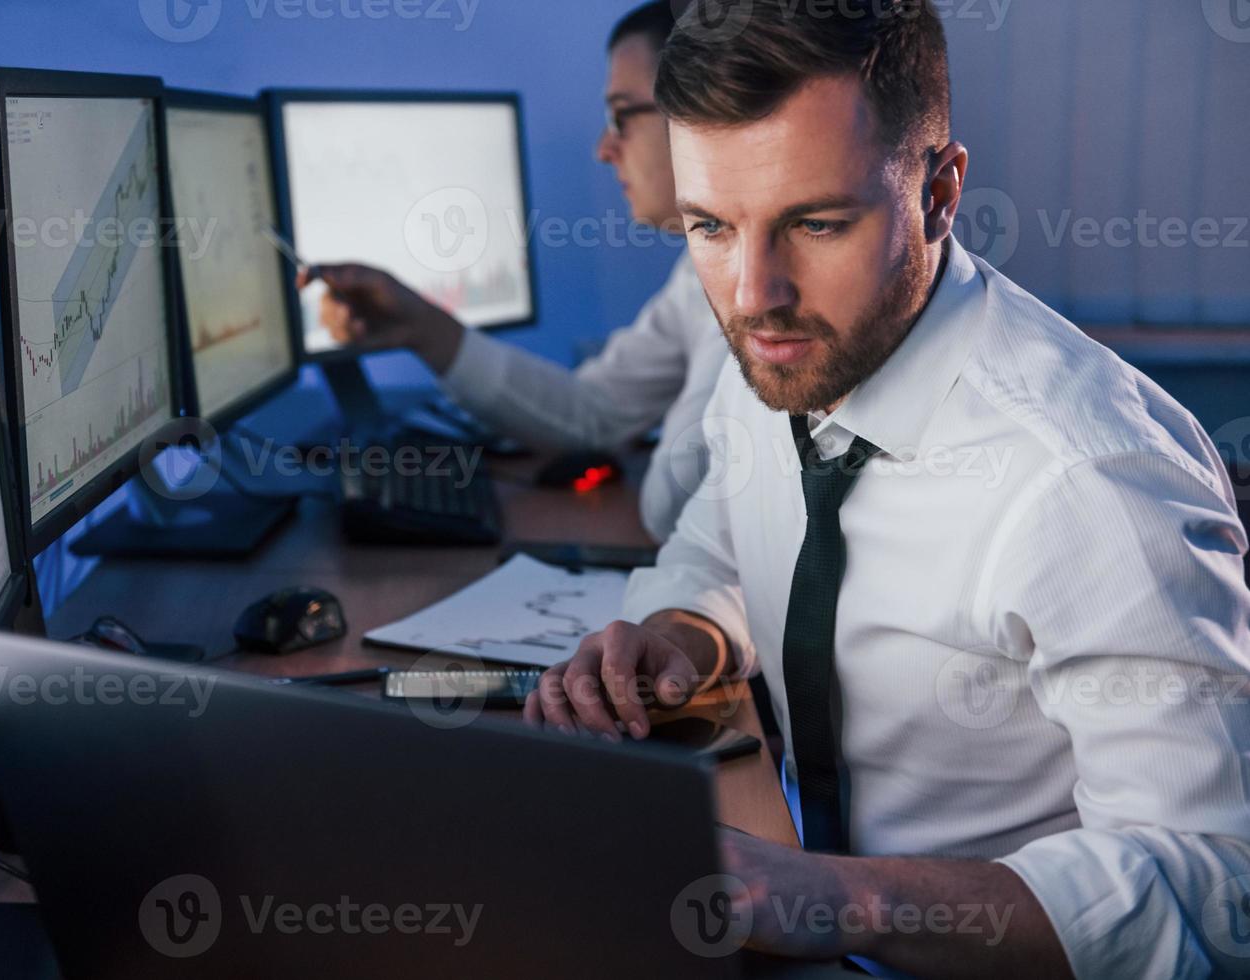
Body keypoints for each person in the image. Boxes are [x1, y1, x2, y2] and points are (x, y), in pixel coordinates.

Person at [523, 1, 1250, 976]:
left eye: (817, 222)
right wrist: (679, 630)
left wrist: (842, 896)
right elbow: (723, 538)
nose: (752, 297)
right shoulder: (790, 340)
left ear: (942, 193)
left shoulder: (1092, 479)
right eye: (710, 226)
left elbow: (1215, 890)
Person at [300, 2, 731, 542]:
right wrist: (421, 327)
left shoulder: (752, 287)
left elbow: (676, 504)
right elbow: (592, 415)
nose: (604, 149)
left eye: (622, 115)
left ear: (709, 111)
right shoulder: (696, 273)